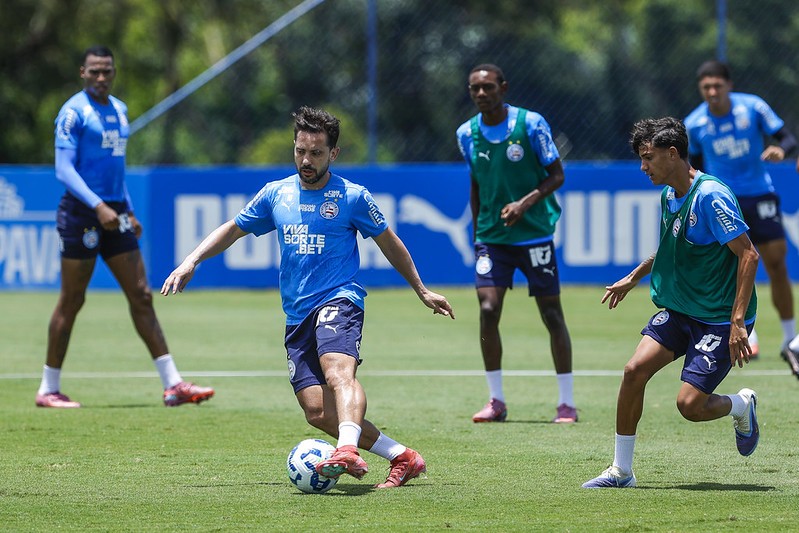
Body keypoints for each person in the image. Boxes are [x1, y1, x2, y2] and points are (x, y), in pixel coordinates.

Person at [161, 106, 454, 488]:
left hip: (340, 298)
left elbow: (391, 244)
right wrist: (191, 261)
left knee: (338, 371)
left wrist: (421, 289)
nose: (306, 160)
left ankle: (347, 449)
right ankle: (403, 456)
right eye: (300, 150)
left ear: (334, 153)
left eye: (316, 153)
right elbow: (233, 229)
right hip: (297, 313)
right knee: (317, 413)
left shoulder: (352, 197)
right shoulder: (275, 194)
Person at [583, 117, 760, 489]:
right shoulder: (669, 195)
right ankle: (621, 471)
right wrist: (633, 277)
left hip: (717, 319)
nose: (643, 167)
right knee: (634, 371)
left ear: (673, 153)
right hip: (680, 310)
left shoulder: (711, 196)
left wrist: (738, 322)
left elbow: (749, 255)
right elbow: (669, 244)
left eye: (648, 158)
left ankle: (741, 405)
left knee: (689, 406)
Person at [37, 45, 215, 408]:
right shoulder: (73, 113)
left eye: (107, 71)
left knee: (142, 294)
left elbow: (115, 170)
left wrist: (127, 209)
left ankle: (173, 384)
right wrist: (99, 206)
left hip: (114, 211)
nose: (101, 77)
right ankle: (48, 389)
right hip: (82, 214)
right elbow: (64, 169)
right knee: (73, 299)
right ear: (82, 73)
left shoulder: (119, 110)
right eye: (94, 72)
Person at [455, 64, 576, 424]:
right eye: (474, 88)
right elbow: (476, 182)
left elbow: (557, 175)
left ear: (503, 88)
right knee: (488, 309)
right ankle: (496, 400)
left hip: (535, 233)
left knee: (551, 314)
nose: (481, 94)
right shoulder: (466, 134)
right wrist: (478, 236)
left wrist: (524, 204)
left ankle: (566, 403)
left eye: (488, 87)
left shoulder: (531, 124)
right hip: (493, 238)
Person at [685, 60, 798, 359]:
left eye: (717, 86)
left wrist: (781, 150)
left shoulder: (753, 107)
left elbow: (787, 138)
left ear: (729, 86)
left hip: (759, 193)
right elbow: (693, 166)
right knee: (732, 268)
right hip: (723, 201)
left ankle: (791, 340)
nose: (712, 92)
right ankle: (749, 332)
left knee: (776, 262)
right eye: (706, 87)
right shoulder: (695, 123)